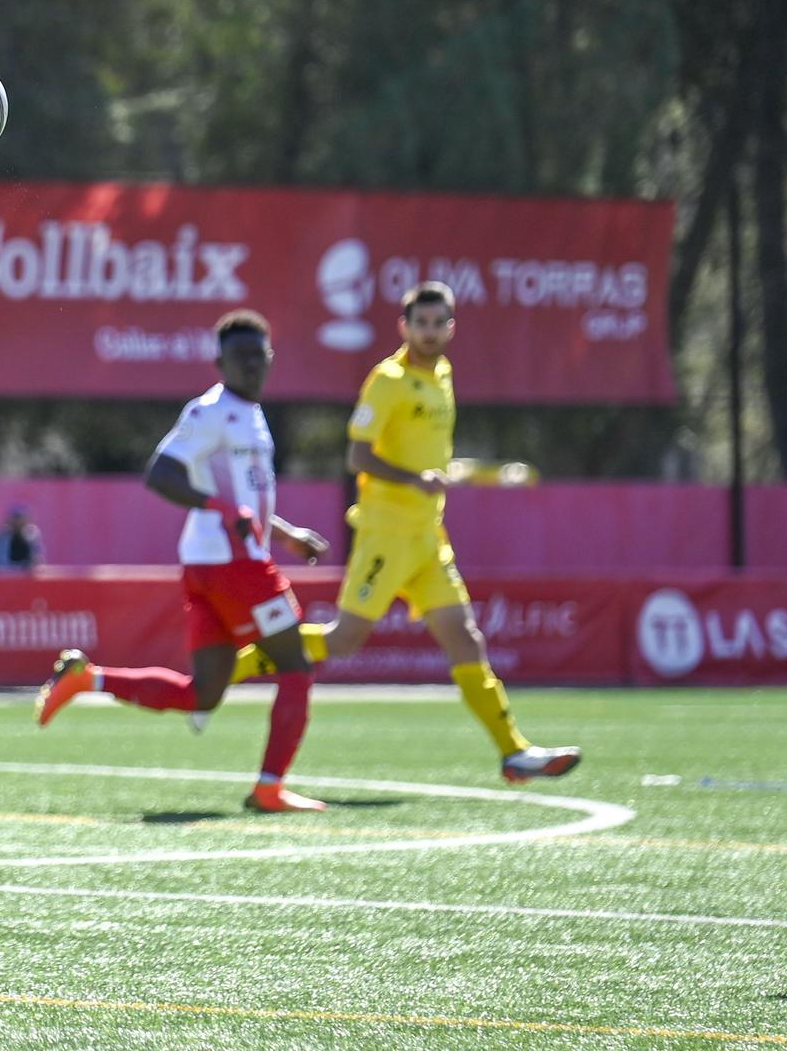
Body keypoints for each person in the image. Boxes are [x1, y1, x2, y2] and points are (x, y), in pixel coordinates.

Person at [231, 282, 580, 784]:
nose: (431, 332)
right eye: (422, 323)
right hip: (386, 533)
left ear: (451, 328)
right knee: (345, 640)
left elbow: (427, 455)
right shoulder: (388, 380)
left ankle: (513, 750)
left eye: (440, 323)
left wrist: (458, 474)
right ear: (405, 326)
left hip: (427, 536)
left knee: (465, 639)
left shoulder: (442, 374)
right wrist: (415, 479)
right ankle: (228, 670)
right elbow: (358, 456)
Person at [34, 310, 332, 813]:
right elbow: (160, 474)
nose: (251, 366)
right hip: (231, 564)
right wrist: (222, 511)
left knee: (204, 693)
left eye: (258, 356)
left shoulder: (252, 415)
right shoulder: (210, 411)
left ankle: (88, 679)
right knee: (296, 665)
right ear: (219, 363)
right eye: (240, 358)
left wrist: (286, 534)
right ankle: (269, 787)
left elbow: (242, 499)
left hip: (215, 563)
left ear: (270, 359)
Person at [0, 505, 45, 571]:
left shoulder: (31, 535)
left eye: (21, 519)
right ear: (8, 520)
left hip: (20, 579)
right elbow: (0, 565)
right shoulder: (1, 534)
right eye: (15, 519)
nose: (18, 523)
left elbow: (37, 563)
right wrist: (22, 568)